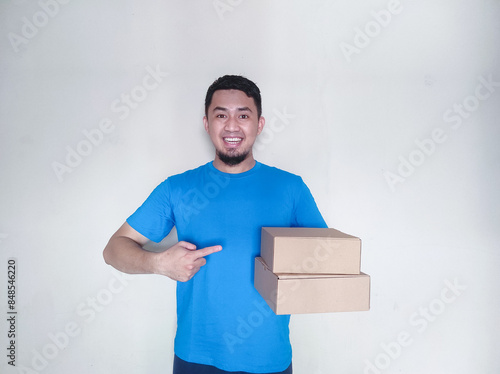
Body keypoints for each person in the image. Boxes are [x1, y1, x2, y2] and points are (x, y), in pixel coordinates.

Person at [103, 75, 327, 374]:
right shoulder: (177, 188)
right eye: (221, 115)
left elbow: (326, 261)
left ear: (259, 124)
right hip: (196, 358)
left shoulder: (291, 189)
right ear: (207, 124)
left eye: (243, 116)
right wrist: (158, 263)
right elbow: (113, 250)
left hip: (268, 359)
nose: (232, 126)